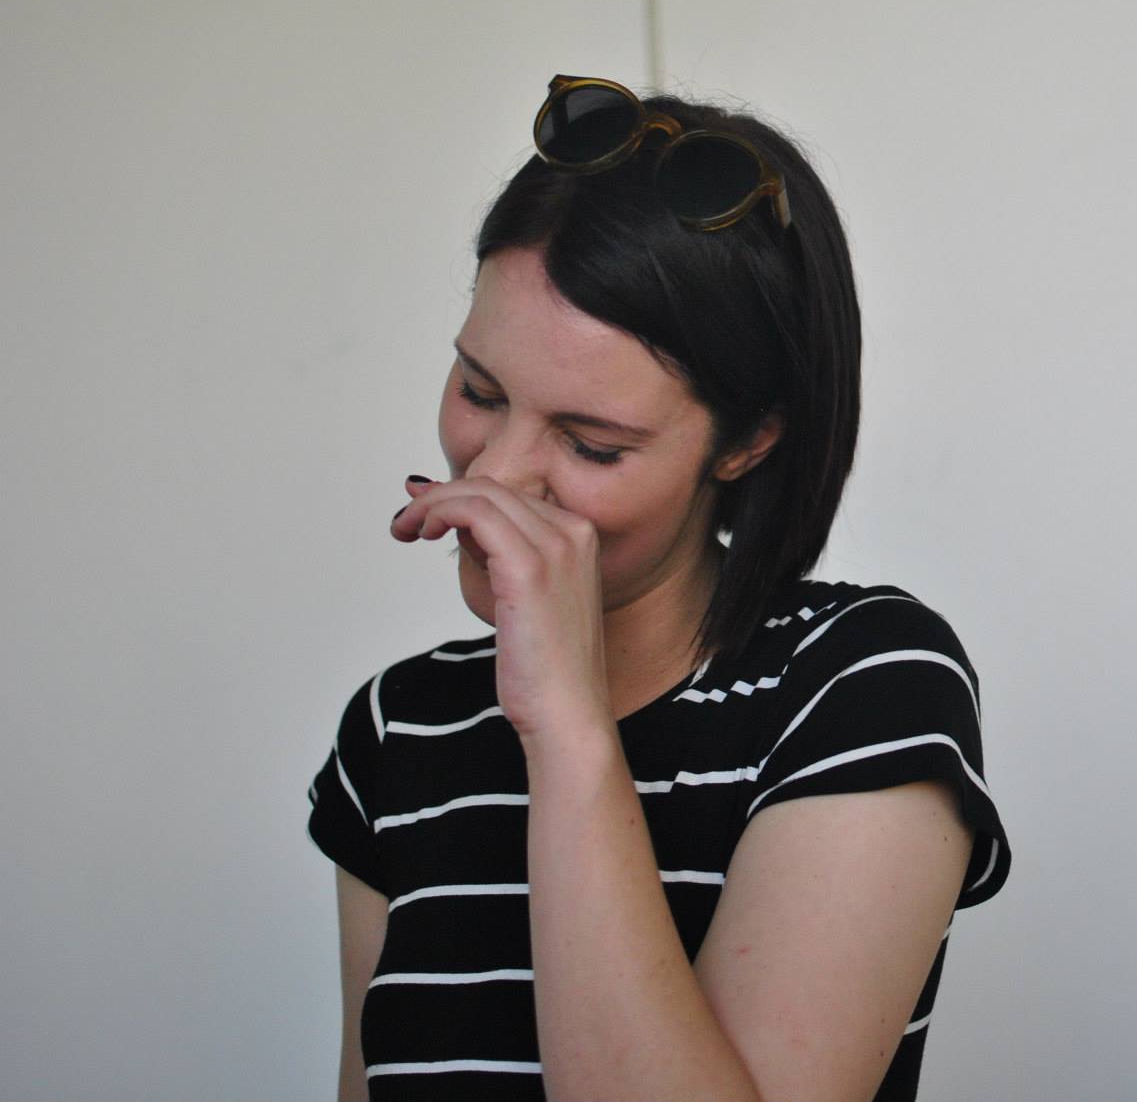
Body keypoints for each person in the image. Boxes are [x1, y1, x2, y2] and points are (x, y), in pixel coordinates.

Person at [304, 76, 1012, 1102]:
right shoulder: (398, 729)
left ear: (748, 441)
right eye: (478, 391)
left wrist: (567, 730)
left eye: (590, 444)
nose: (493, 476)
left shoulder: (861, 689)